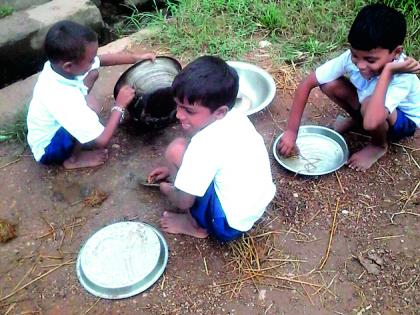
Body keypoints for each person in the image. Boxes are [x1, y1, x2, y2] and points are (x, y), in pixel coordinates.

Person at [277, 3, 420, 171]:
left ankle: (379, 145)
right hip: (370, 109)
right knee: (330, 84)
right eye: (354, 55)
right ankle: (357, 120)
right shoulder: (353, 58)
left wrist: (388, 72)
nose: (360, 65)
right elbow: (307, 83)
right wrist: (292, 132)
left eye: (370, 60)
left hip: (403, 122)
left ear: (396, 53)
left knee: (369, 106)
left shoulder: (401, 76)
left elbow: (373, 120)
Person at [147, 56, 276, 242]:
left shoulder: (203, 145)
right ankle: (187, 188)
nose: (178, 114)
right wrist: (175, 170)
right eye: (178, 105)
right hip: (254, 205)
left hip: (227, 225)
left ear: (220, 112)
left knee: (176, 149)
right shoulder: (237, 117)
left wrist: (166, 189)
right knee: (183, 150)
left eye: (188, 110)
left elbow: (184, 200)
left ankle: (193, 225)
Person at [27, 20, 156, 169]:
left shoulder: (57, 68)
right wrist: (119, 106)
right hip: (48, 148)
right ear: (68, 66)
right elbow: (102, 141)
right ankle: (73, 160)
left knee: (92, 74)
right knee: (88, 109)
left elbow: (102, 60)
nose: (94, 60)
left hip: (58, 118)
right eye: (90, 59)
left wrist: (137, 58)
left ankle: (82, 131)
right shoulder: (64, 99)